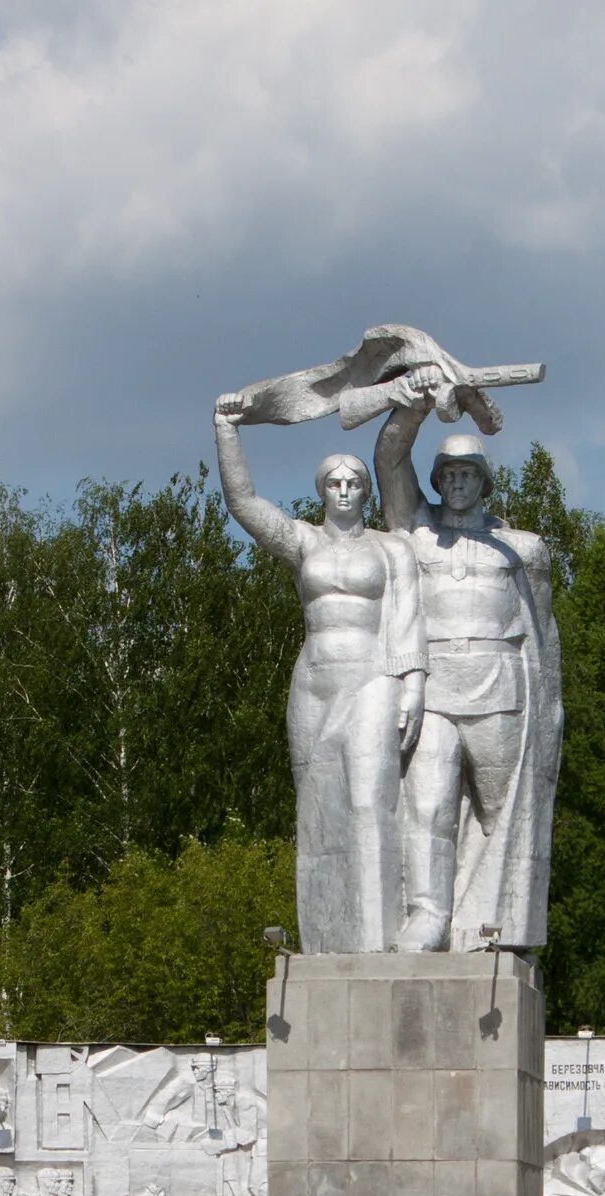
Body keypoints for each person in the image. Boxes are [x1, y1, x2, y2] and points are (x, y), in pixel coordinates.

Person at [213, 399, 421, 952]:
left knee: (370, 804)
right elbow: (243, 502)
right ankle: (323, 944)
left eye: (355, 481)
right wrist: (227, 430)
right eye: (334, 482)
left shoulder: (392, 548)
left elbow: (406, 622)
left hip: (373, 678)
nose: (346, 490)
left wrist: (414, 686)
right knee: (315, 809)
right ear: (321, 490)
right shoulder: (303, 541)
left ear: (367, 492)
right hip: (314, 680)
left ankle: (378, 937)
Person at [373, 374, 563, 951]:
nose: (457, 484)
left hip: (499, 691)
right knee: (427, 808)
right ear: (437, 481)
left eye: (467, 475)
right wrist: (418, 403)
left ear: (484, 482)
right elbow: (388, 457)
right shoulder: (414, 531)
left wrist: (551, 710)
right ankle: (428, 917)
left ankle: (493, 926)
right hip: (432, 693)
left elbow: (543, 635)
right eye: (448, 475)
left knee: (503, 812)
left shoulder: (522, 548)